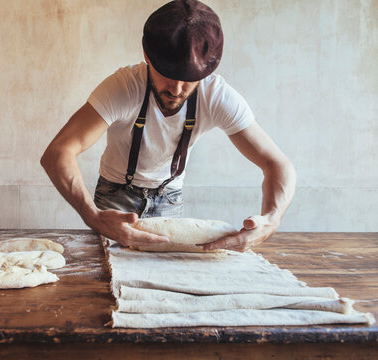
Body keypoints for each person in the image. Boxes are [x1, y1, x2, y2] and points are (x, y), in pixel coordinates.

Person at [41, 0, 296, 252]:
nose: (176, 89)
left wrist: (272, 219)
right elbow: (58, 152)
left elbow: (277, 164)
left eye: (188, 80)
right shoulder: (123, 87)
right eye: (168, 74)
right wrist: (92, 215)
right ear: (147, 56)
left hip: (170, 199)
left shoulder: (217, 95)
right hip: (115, 197)